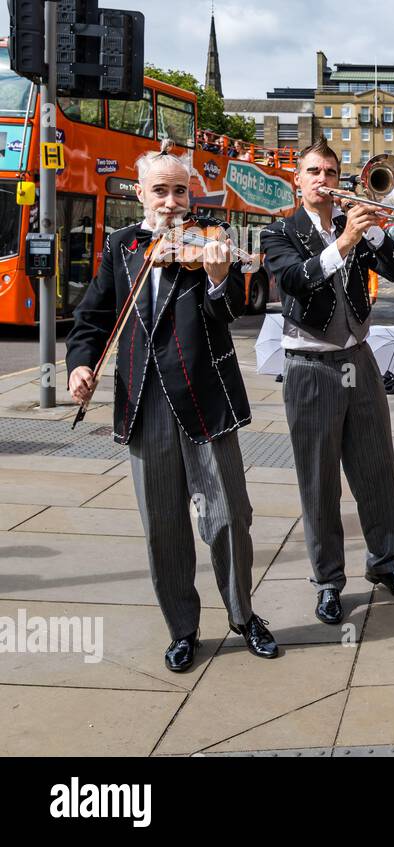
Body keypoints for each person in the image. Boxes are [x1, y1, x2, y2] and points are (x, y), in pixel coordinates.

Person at [65, 144, 278, 672]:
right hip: (144, 404)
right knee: (163, 527)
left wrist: (219, 275)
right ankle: (182, 629)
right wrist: (79, 364)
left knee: (229, 518)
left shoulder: (210, 240)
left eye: (180, 190)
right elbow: (92, 317)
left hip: (204, 398)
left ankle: (243, 615)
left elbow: (226, 311)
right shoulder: (122, 248)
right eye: (160, 190)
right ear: (140, 194)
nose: (171, 201)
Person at [260, 139, 394, 627]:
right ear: (298, 179)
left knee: (376, 466)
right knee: (319, 479)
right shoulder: (280, 232)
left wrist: (370, 232)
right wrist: (346, 241)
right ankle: (329, 580)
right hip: (310, 365)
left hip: (359, 358)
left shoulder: (353, 223)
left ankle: (385, 561)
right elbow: (295, 279)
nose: (323, 179)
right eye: (314, 171)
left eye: (330, 172)